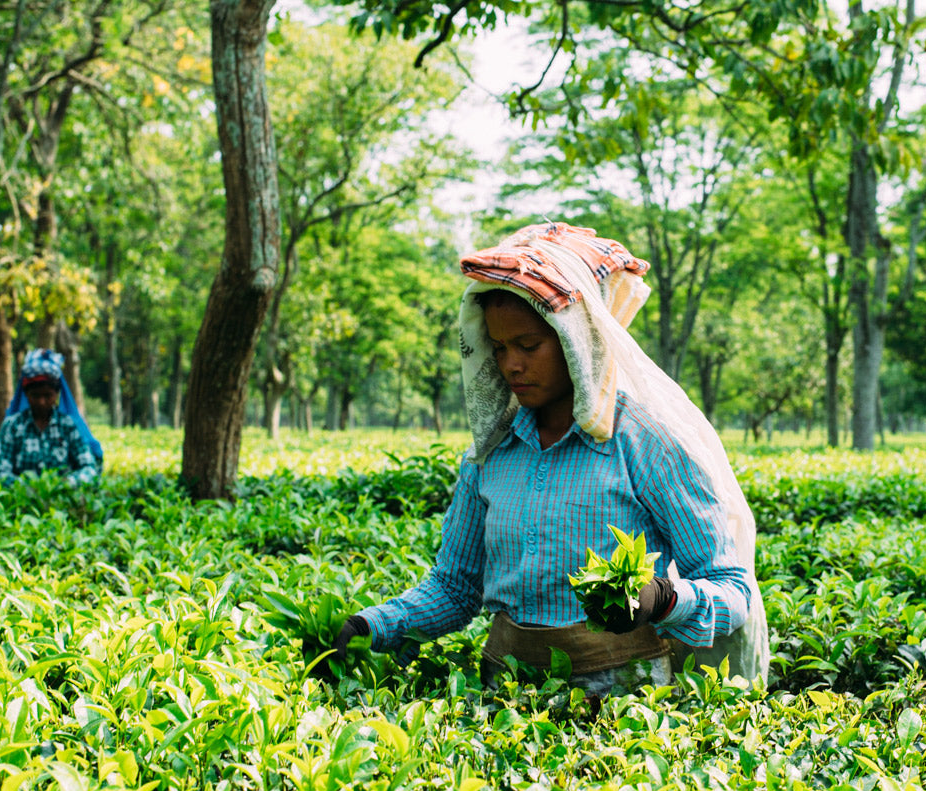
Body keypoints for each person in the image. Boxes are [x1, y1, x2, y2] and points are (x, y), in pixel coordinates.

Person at [315, 222, 768, 693]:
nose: (511, 364)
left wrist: (665, 598)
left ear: (576, 341)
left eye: (529, 346)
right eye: (500, 347)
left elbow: (731, 586)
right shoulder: (490, 453)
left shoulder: (643, 442)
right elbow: (455, 588)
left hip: (625, 710)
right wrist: (376, 624)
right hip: (505, 695)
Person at [0, 348, 103, 486]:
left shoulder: (68, 426)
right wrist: (26, 487)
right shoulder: (12, 426)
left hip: (63, 499)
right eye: (35, 396)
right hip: (22, 500)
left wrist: (68, 483)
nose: (41, 402)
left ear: (56, 394)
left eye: (47, 395)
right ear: (26, 394)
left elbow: (89, 468)